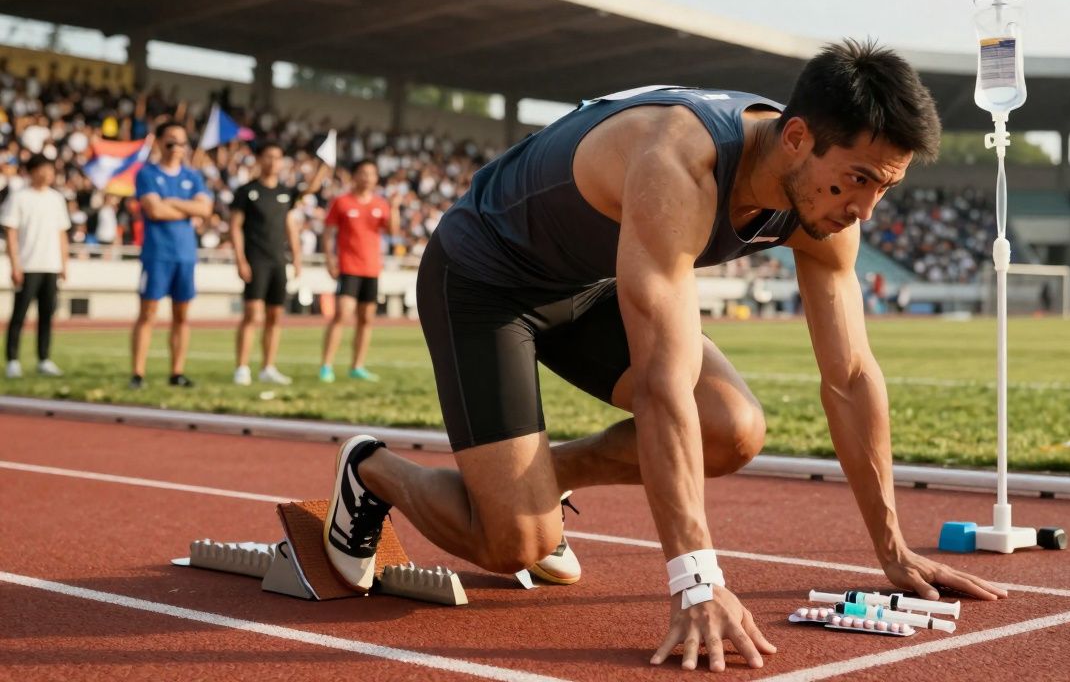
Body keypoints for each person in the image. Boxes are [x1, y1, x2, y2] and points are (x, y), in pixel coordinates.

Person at [322, 40, 1006, 673]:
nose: (865, 208)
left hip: (586, 284)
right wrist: (697, 580)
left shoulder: (825, 211)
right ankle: (373, 471)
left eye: (884, 187)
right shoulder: (681, 163)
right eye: (858, 179)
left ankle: (537, 481)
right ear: (797, 137)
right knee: (514, 548)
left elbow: (852, 376)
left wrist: (893, 549)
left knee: (734, 429)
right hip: (485, 280)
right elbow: (661, 387)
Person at [128, 121, 213, 389]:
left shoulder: (193, 176)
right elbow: (154, 211)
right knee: (148, 312)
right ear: (159, 142)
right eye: (171, 141)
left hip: (185, 254)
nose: (177, 147)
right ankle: (138, 373)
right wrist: (189, 209)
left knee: (182, 315)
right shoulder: (147, 173)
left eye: (182, 142)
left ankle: (177, 372)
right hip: (157, 253)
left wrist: (173, 203)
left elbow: (206, 209)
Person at [229, 142, 309, 385]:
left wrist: (296, 257)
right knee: (252, 314)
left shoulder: (285, 193)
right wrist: (240, 260)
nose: (273, 162)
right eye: (268, 156)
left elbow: (290, 225)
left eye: (278, 157)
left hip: (277, 260)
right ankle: (242, 368)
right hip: (256, 259)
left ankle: (268, 367)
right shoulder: (246, 191)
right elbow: (235, 227)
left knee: (275, 315)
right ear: (260, 160)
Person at [318, 159, 399, 383]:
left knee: (366, 319)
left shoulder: (381, 204)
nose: (367, 178)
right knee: (341, 314)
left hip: (372, 269)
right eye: (363, 173)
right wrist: (329, 259)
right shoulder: (341, 202)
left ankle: (357, 366)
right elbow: (327, 233)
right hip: (349, 267)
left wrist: (393, 207)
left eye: (372, 174)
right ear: (355, 176)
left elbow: (393, 230)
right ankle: (326, 366)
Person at [3, 156, 70, 378]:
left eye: (50, 169)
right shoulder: (19, 198)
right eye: (43, 169)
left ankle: (44, 359)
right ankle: (12, 360)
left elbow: (62, 234)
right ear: (32, 171)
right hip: (28, 265)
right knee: (19, 315)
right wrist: (15, 265)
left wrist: (64, 263)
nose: (48, 174)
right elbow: (11, 234)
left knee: (46, 315)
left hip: (51, 266)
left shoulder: (56, 199)